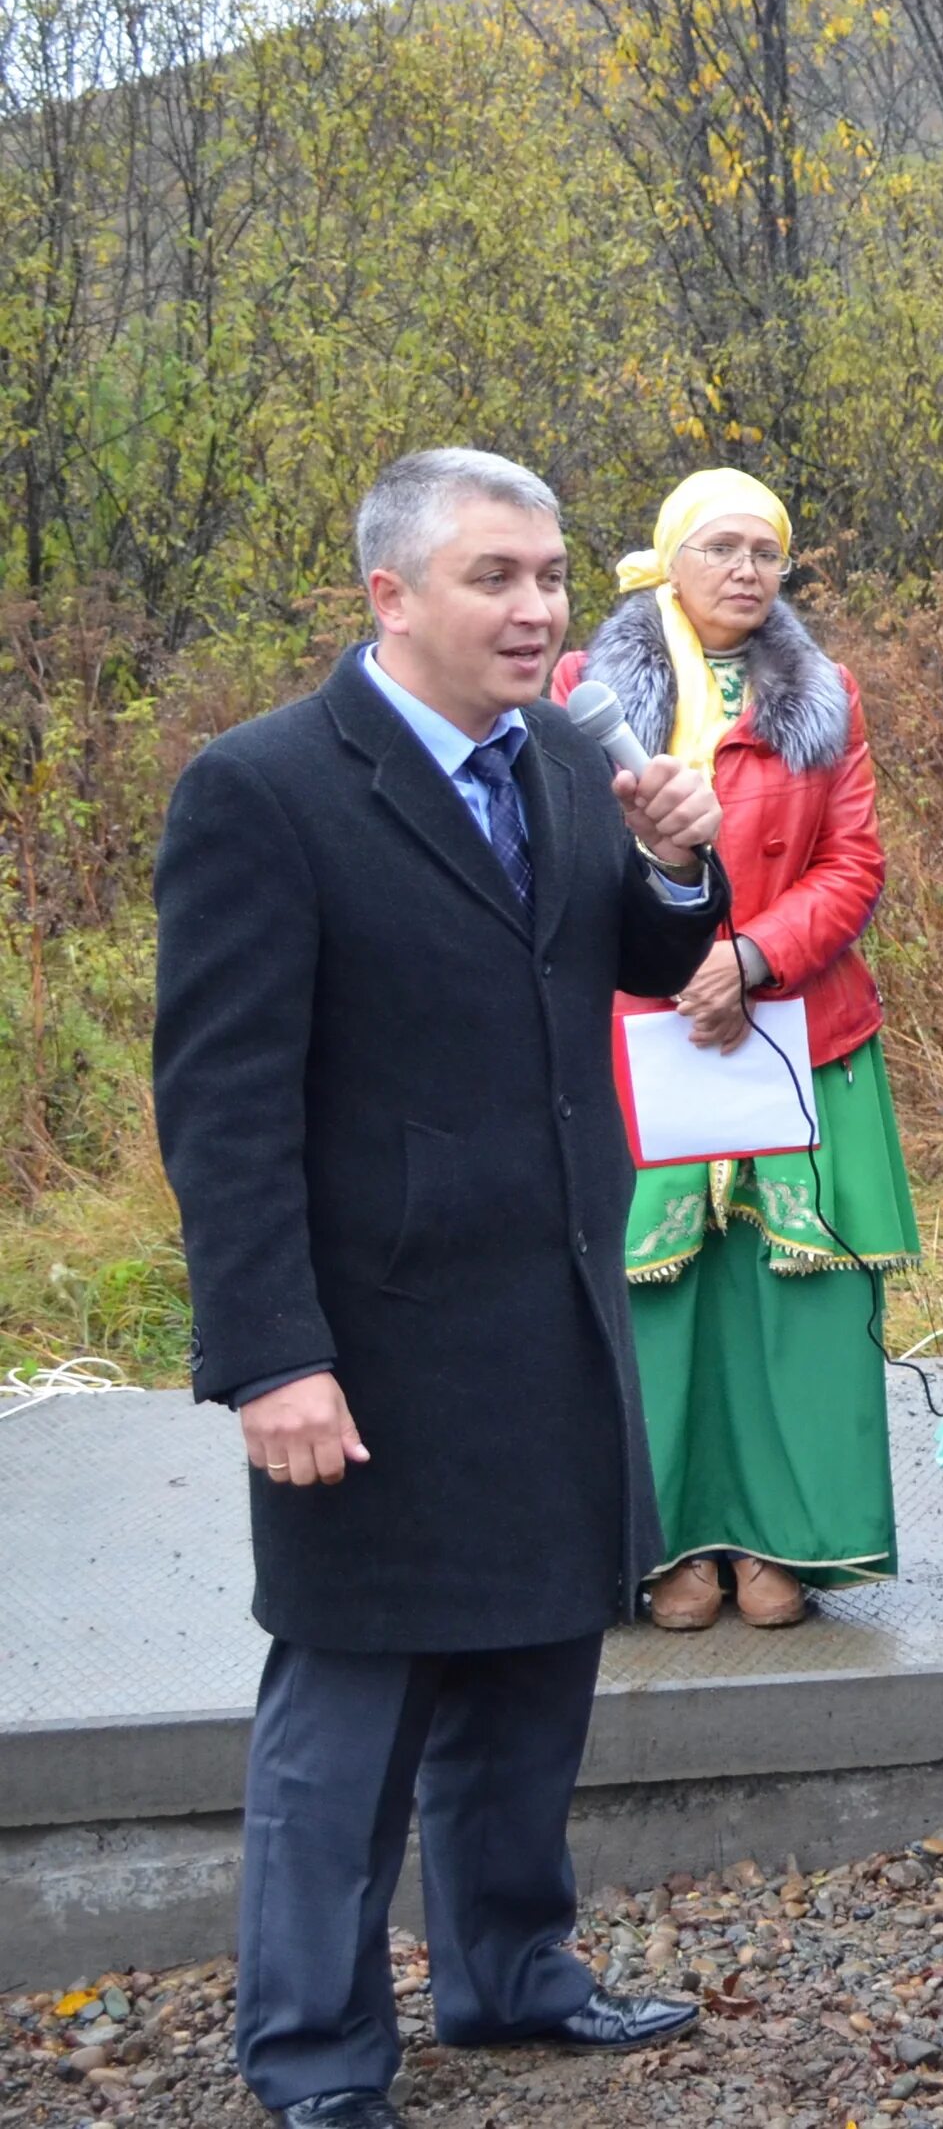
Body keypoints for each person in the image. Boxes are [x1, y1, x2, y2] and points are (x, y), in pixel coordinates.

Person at [153, 449, 727, 2128]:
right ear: (389, 595)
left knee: (537, 1672)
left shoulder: (559, 756)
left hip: (552, 1305)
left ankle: (511, 1971)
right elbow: (223, 1104)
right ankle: (318, 2053)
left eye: (550, 576)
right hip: (373, 1344)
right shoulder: (261, 789)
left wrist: (682, 868)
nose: (541, 609)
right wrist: (270, 1356)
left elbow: (630, 957)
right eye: (497, 577)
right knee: (351, 1717)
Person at [555, 468, 917, 1630]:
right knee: (659, 1300)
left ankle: (786, 1543)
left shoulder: (825, 693)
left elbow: (852, 865)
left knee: (792, 1301)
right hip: (638, 1037)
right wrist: (673, 967)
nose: (747, 572)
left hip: (798, 1031)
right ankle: (666, 1543)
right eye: (721, 548)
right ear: (668, 559)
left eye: (767, 551)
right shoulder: (582, 693)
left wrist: (751, 959)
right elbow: (563, 853)